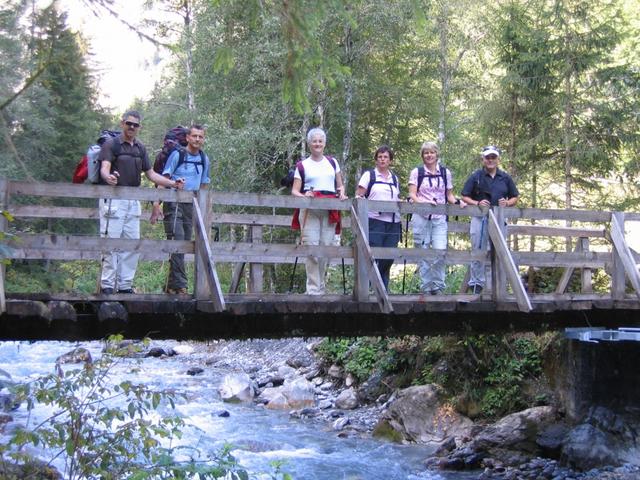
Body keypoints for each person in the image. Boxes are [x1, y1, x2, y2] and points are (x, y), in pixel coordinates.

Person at [98, 110, 184, 295]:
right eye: (129, 123)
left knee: (132, 243)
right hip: (113, 200)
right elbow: (104, 168)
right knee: (110, 242)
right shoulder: (111, 145)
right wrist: (109, 177)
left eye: (135, 125)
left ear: (139, 127)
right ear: (122, 123)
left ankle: (125, 285)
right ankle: (107, 285)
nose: (132, 127)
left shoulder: (140, 148)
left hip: (133, 201)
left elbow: (151, 174)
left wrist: (172, 183)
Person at [150, 125, 210, 294]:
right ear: (188, 138)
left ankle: (171, 285)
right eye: (194, 136)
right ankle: (181, 285)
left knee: (184, 243)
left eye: (201, 137)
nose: (197, 139)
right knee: (178, 241)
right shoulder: (178, 155)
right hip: (173, 202)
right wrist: (156, 204)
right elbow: (164, 179)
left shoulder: (204, 159)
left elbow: (204, 184)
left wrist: (204, 209)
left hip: (192, 206)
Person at [291, 127, 348, 295]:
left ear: (324, 143)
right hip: (310, 209)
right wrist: (304, 195)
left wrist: (342, 194)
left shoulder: (332, 162)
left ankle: (321, 286)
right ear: (309, 144)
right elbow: (294, 191)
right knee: (311, 248)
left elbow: (340, 185)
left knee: (326, 247)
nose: (317, 144)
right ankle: (313, 290)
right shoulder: (302, 165)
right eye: (314, 141)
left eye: (320, 141)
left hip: (330, 209)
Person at [461, 145, 519, 294]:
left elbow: (515, 197)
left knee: (499, 251)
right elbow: (465, 196)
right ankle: (476, 286)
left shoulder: (505, 177)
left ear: (498, 159)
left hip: (499, 220)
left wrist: (507, 203)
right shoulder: (476, 177)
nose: (490, 160)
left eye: (493, 157)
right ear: (483, 159)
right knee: (478, 251)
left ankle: (497, 287)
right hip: (479, 219)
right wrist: (477, 203)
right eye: (488, 157)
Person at [408, 141, 464, 295]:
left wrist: (459, 202)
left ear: (437, 154)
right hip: (421, 216)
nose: (429, 155)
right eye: (426, 153)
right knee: (423, 252)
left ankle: (438, 286)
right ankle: (426, 287)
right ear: (422, 155)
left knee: (440, 251)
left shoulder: (445, 173)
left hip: (439, 218)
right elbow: (412, 194)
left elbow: (449, 195)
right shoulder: (417, 172)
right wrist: (425, 203)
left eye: (432, 152)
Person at [355, 145, 401, 291]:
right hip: (375, 221)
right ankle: (369, 289)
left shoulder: (394, 178)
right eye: (380, 157)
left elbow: (396, 197)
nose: (382, 159)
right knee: (374, 256)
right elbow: (359, 196)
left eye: (386, 157)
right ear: (376, 159)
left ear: (390, 160)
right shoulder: (369, 175)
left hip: (393, 223)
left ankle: (382, 290)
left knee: (389, 257)